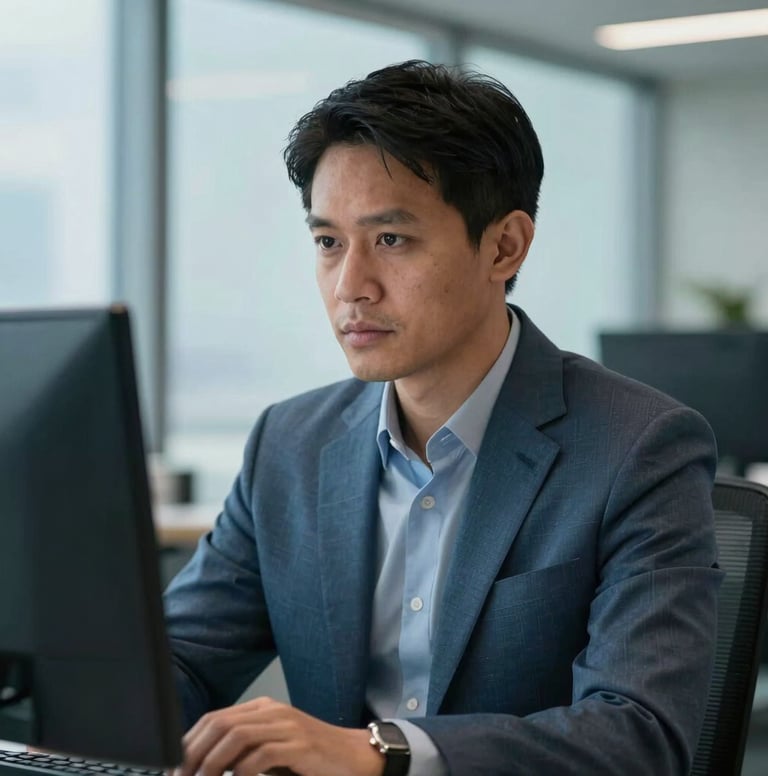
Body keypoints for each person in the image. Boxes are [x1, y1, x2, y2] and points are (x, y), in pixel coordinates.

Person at [164, 60, 722, 776]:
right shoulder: (289, 444)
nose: (350, 287)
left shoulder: (639, 447)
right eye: (329, 242)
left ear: (504, 246)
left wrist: (381, 754)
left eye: (391, 240)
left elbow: (639, 735)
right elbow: (177, 660)